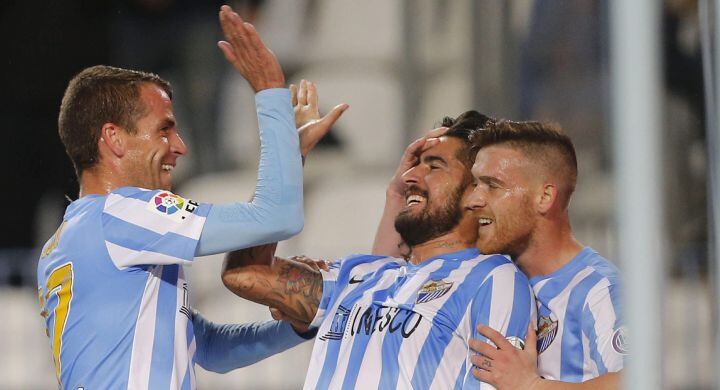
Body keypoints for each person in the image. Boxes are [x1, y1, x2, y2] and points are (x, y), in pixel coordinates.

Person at [36, 6, 346, 388]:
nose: (180, 147)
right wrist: (269, 91)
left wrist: (298, 326)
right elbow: (276, 216)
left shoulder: (76, 237)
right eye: (164, 130)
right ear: (113, 138)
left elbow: (208, 349)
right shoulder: (124, 216)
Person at [221, 111, 536, 389]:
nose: (410, 175)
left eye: (434, 166)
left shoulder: (493, 280)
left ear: (476, 190)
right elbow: (246, 273)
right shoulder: (359, 273)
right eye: (414, 166)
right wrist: (289, 159)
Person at [464, 120, 624, 389]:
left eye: (492, 185)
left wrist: (531, 386)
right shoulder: (493, 280)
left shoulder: (600, 290)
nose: (474, 200)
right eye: (475, 185)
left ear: (544, 197)